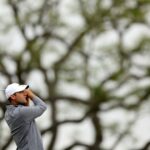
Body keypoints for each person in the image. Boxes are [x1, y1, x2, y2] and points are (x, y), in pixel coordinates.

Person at [4, 83, 47, 150]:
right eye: (21, 92)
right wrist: (30, 94)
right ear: (13, 96)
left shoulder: (9, 113)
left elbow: (26, 116)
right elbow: (42, 107)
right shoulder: (21, 112)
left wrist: (25, 102)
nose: (25, 94)